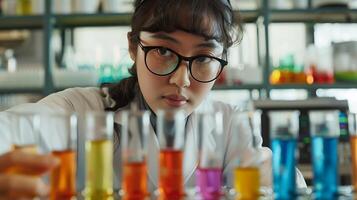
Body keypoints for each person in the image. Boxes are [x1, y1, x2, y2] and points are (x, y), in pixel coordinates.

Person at [0, 0, 307, 198]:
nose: (181, 79)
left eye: (203, 57)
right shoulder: (82, 111)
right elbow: (12, 130)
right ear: (134, 48)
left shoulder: (228, 124)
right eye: (163, 51)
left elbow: (285, 186)